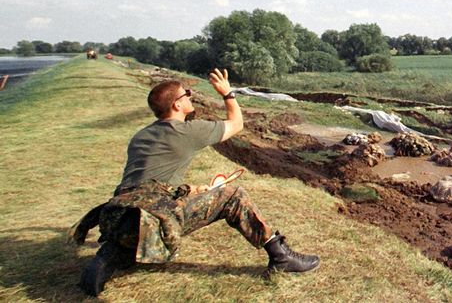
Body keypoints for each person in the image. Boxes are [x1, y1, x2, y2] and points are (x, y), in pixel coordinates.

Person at [69, 68, 319, 296]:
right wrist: (227, 93)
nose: (191, 97)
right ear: (177, 105)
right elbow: (237, 124)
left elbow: (148, 185)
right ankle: (280, 256)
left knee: (139, 225)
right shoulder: (188, 131)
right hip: (149, 222)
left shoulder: (140, 136)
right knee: (233, 195)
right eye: (187, 94)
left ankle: (110, 255)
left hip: (116, 220)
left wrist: (191, 191)